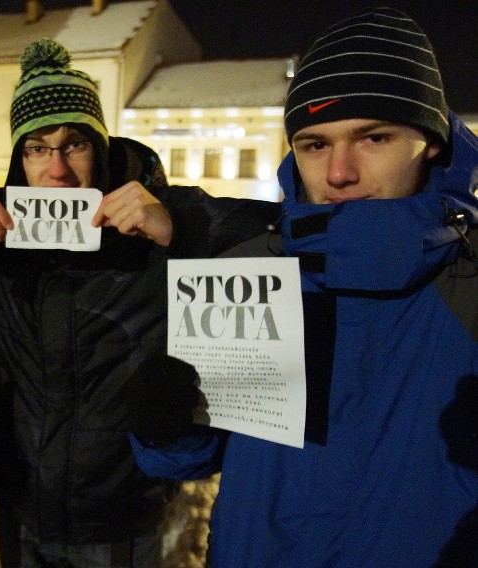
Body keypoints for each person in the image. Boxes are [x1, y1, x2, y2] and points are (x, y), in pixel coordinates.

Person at [128, 8, 478, 567]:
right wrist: (165, 423)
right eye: (315, 145)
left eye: (373, 138)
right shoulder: (252, 270)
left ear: (431, 141)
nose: (339, 172)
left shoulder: (469, 289)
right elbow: (195, 458)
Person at [0, 38, 274, 567]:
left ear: (103, 145)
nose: (57, 171)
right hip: (21, 506)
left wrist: (177, 231)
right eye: (37, 148)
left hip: (125, 514)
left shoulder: (161, 210)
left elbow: (279, 237)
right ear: (18, 157)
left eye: (74, 145)